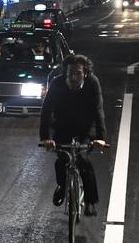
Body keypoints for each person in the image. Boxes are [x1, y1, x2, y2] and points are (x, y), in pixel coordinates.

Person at [39, 53, 107, 217]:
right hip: (62, 126)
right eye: (70, 74)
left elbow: (98, 111)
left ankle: (90, 202)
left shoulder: (92, 83)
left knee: (83, 160)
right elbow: (46, 112)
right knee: (61, 160)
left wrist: (100, 138)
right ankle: (62, 187)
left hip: (85, 127)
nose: (74, 77)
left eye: (78, 73)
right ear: (65, 73)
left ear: (85, 73)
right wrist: (45, 138)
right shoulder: (56, 84)